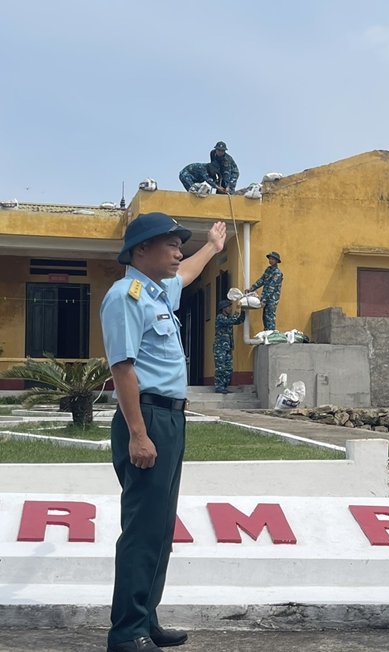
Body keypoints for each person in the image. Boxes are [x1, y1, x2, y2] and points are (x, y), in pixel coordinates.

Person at [100, 212, 227, 652]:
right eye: (171, 245)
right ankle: (126, 633)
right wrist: (137, 433)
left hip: (171, 418)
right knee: (142, 529)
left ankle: (145, 619)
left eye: (180, 245)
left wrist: (211, 245)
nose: (179, 253)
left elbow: (188, 273)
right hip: (147, 418)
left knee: (160, 529)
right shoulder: (126, 296)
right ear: (141, 250)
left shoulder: (157, 292)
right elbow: (122, 367)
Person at [213, 298, 245, 394]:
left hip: (228, 347)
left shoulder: (228, 318)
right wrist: (237, 310)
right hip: (220, 347)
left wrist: (242, 311)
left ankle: (224, 386)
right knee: (220, 368)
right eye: (228, 307)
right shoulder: (220, 317)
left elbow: (239, 321)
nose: (230, 308)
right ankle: (219, 386)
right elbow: (232, 321)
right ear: (223, 309)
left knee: (228, 369)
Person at [246, 251, 283, 331]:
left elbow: (271, 288)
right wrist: (251, 289)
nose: (270, 260)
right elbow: (261, 280)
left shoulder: (277, 273)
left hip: (272, 299)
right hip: (266, 298)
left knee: (269, 317)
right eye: (270, 259)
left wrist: (264, 300)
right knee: (265, 317)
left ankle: (271, 334)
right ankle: (267, 333)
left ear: (277, 261)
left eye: (272, 259)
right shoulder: (268, 270)